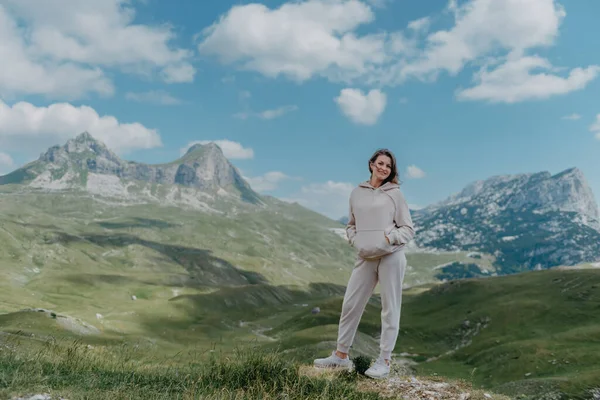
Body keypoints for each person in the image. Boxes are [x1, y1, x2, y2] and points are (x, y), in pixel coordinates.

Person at [313, 148, 415, 379]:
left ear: (391, 171)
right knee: (350, 304)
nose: (383, 168)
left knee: (390, 308)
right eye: (380, 163)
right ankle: (340, 356)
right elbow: (351, 224)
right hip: (365, 257)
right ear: (371, 164)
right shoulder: (356, 193)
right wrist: (355, 240)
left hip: (391, 256)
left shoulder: (395, 194)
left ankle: (384, 360)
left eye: (388, 166)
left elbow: (408, 229)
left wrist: (389, 239)